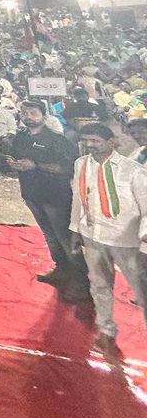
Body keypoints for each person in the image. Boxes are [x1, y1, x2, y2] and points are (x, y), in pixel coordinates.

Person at [69, 123, 147, 355]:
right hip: (94, 235)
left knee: (143, 293)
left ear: (111, 141)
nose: (90, 145)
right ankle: (106, 332)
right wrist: (75, 229)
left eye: (95, 140)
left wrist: (144, 240)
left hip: (127, 240)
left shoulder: (132, 169)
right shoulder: (81, 165)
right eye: (86, 140)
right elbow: (78, 198)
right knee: (99, 285)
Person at [8, 99, 88, 304]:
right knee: (50, 236)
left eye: (33, 112)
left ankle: (81, 281)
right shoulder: (20, 138)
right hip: (31, 194)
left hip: (55, 196)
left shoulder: (57, 140)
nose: (28, 116)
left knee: (65, 237)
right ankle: (61, 269)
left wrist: (36, 165)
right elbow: (22, 161)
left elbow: (69, 169)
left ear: (44, 116)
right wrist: (16, 165)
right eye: (24, 112)